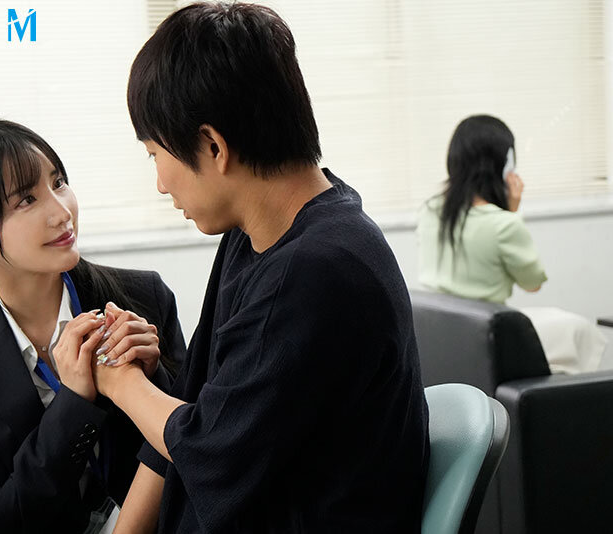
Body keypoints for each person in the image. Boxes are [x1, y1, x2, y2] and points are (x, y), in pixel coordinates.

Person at [58, 4, 430, 532]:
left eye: (155, 155)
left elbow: (206, 447)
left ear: (213, 146)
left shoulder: (316, 271)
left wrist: (118, 381)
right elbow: (193, 405)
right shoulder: (260, 236)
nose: (160, 184)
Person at [0, 120, 185, 533]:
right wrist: (73, 402)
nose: (62, 212)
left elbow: (198, 449)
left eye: (59, 183)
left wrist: (152, 376)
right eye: (26, 200)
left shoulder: (144, 297)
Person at [417, 114, 606, 373]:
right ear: (505, 165)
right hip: (488, 333)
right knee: (580, 329)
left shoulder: (429, 211)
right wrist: (512, 211)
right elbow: (532, 283)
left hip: (443, 332)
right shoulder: (504, 224)